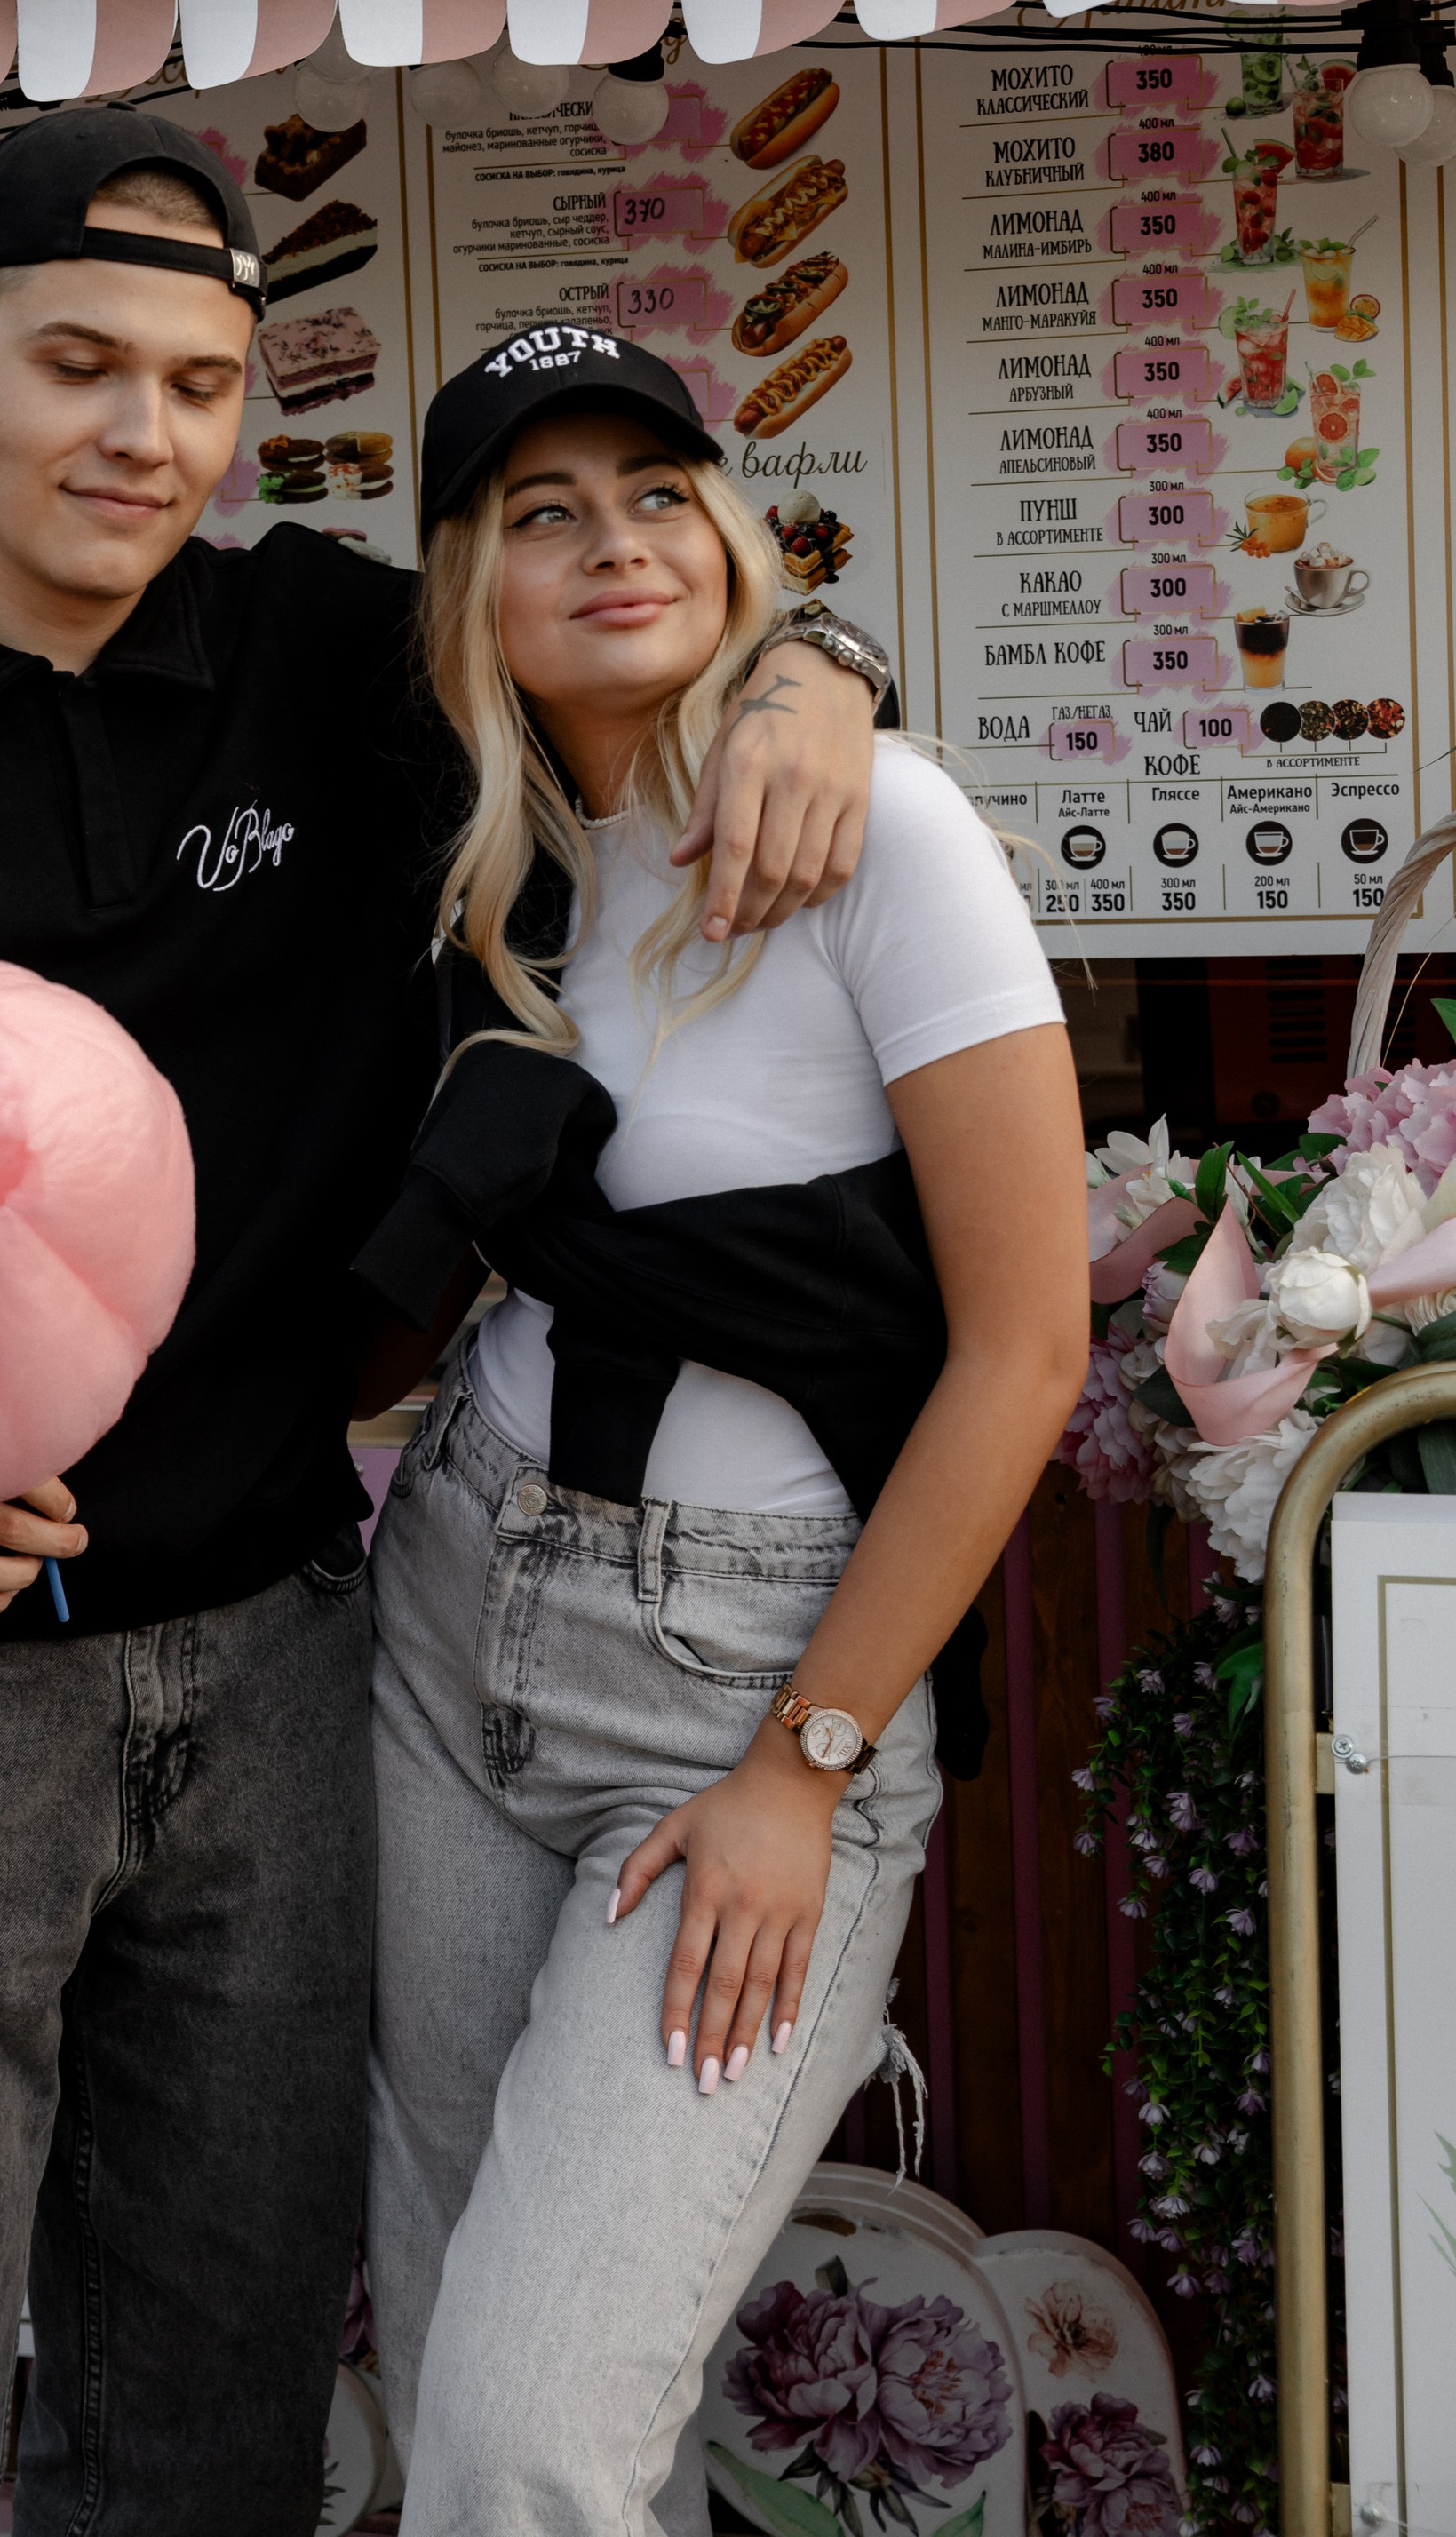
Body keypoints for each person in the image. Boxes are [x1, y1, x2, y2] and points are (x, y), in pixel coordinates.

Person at [0, 107, 888, 2537]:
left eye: (195, 383)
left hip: (271, 1658)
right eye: (77, 365)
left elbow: (626, 633)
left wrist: (814, 684)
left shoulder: (329, 661)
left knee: (214, 2430)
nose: (140, 437)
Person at [358, 330, 1089, 2537]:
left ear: (729, 533)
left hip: (745, 1691)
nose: (609, 544)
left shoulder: (886, 827)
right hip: (450, 1613)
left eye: (654, 490)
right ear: (469, 584)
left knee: (522, 2437)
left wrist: (807, 1764)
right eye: (540, 512)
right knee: (471, 2362)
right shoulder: (483, 854)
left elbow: (1024, 1351)